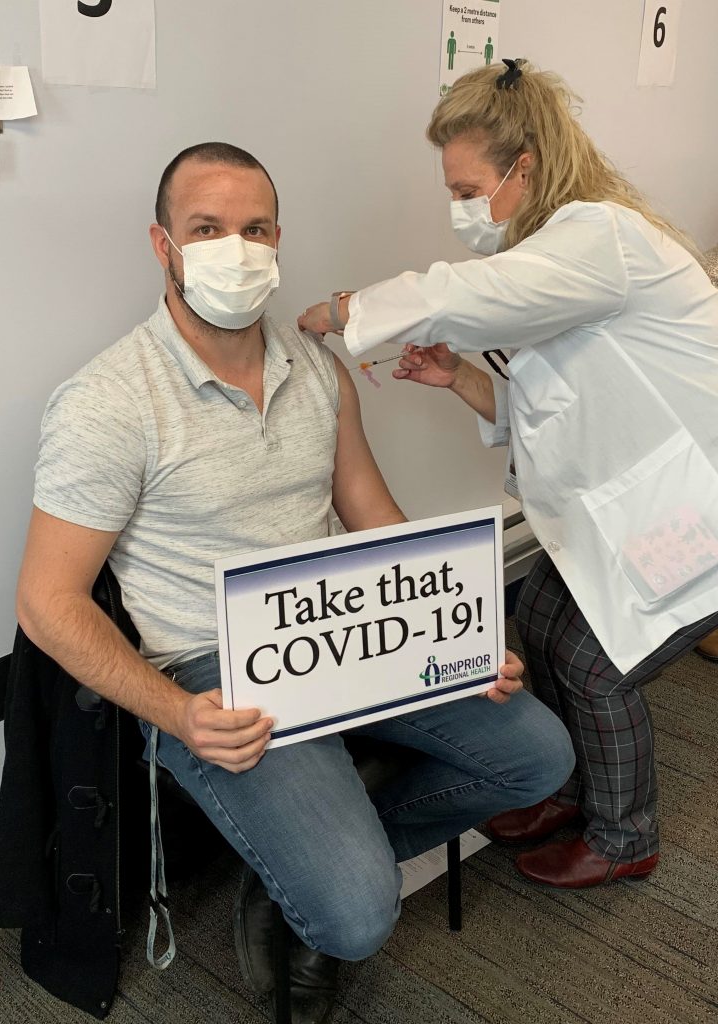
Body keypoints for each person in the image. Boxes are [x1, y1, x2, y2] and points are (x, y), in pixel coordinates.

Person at [15, 141, 574, 1022]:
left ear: (278, 242)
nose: (234, 249)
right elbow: (47, 604)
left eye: (254, 229)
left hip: (345, 628)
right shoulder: (107, 403)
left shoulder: (317, 368)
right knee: (357, 919)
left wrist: (460, 633)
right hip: (212, 671)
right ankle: (323, 882)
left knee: (542, 756)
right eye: (207, 228)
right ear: (163, 245)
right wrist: (176, 715)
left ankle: (302, 873)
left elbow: (374, 519)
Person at [298, 60, 718, 890]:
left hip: (693, 504)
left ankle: (626, 837)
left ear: (523, 167)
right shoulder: (560, 251)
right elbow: (551, 402)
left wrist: (345, 312)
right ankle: (568, 790)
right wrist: (457, 379)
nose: (459, 208)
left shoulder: (602, 238)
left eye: (466, 188)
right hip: (628, 498)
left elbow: (467, 293)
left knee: (596, 666)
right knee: (544, 618)